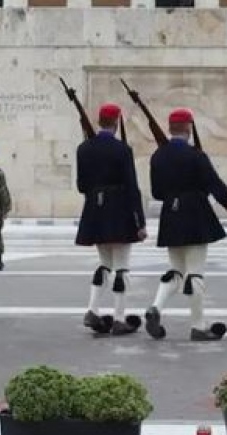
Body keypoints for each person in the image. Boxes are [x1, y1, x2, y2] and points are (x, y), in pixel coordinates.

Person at [145, 108, 227, 342]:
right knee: (195, 272)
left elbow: (157, 192)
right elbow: (217, 187)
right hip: (194, 213)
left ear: (170, 128)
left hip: (171, 215)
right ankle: (198, 326)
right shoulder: (196, 155)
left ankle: (155, 307)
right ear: (188, 128)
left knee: (176, 270)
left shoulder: (158, 156)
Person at [74, 103, 147, 336]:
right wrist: (140, 221)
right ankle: (119, 318)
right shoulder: (122, 149)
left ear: (99, 121)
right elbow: (132, 186)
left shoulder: (83, 148)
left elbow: (82, 186)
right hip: (119, 209)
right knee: (121, 267)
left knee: (104, 264)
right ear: (116, 122)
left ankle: (92, 310)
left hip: (95, 210)